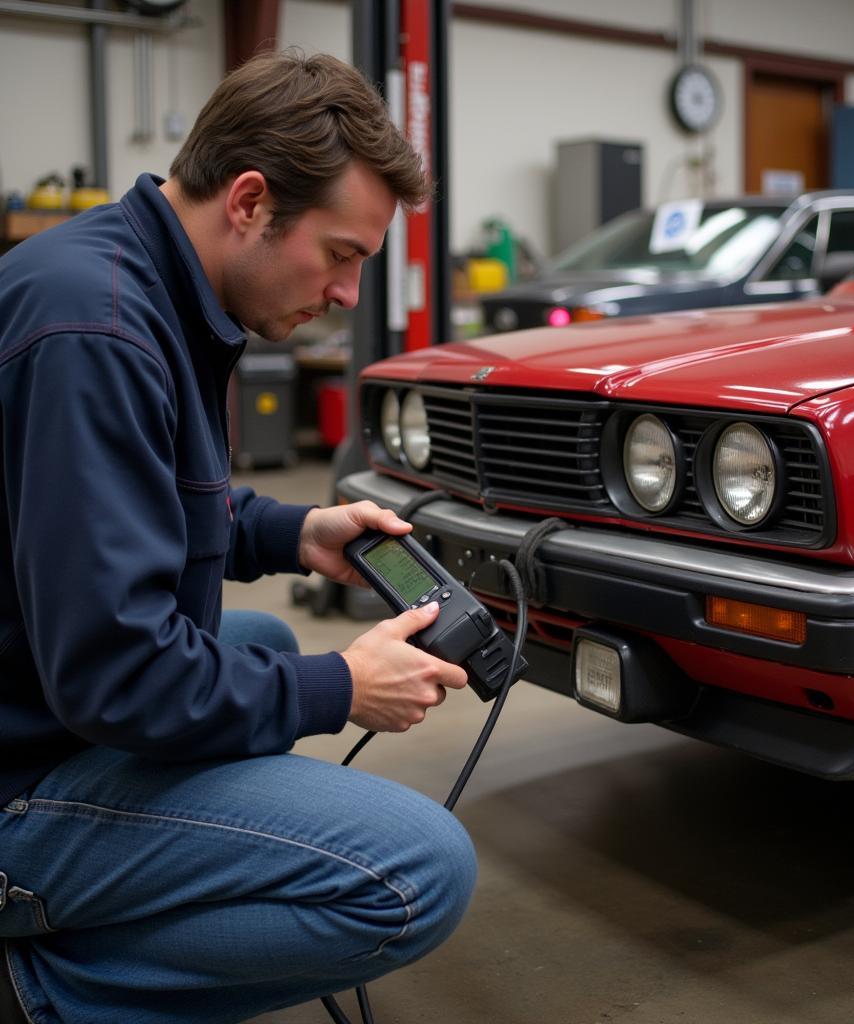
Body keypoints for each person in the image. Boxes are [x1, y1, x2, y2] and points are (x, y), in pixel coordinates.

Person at [0, 50, 476, 1024]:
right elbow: (120, 673)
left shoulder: (141, 280)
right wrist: (344, 686)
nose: (348, 294)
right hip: (17, 782)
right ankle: (40, 988)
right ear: (251, 201)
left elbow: (133, 506)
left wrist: (294, 530)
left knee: (253, 642)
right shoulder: (98, 333)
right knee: (418, 868)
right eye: (341, 253)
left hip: (36, 699)